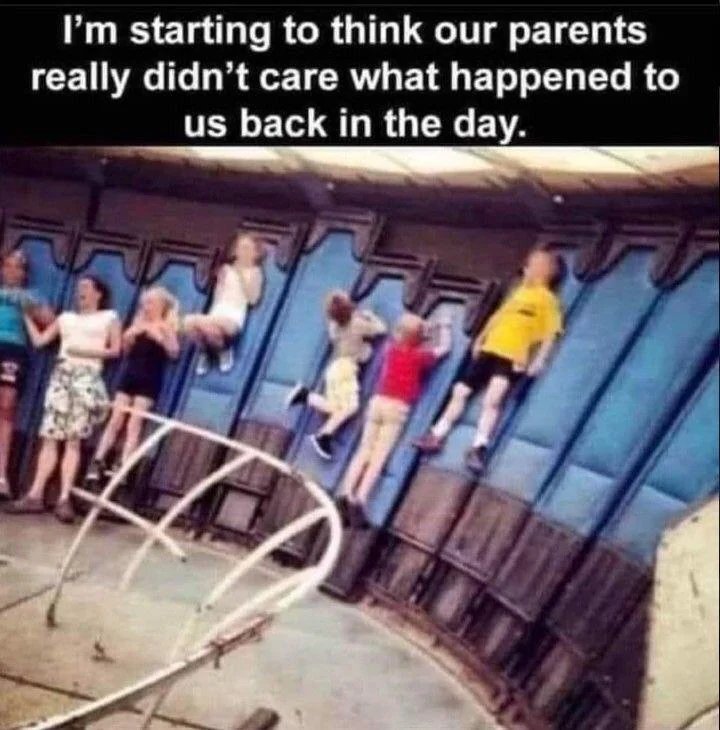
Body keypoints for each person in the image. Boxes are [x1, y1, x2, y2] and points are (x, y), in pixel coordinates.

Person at [414, 248, 564, 474]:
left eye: (534, 265)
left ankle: (479, 446)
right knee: (460, 391)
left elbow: (551, 332)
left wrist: (539, 360)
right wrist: (481, 338)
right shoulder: (519, 292)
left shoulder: (547, 300)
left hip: (512, 355)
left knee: (493, 399)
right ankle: (437, 433)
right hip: (490, 349)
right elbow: (498, 317)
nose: (527, 269)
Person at [4, 276, 121, 523]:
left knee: (73, 440)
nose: (81, 292)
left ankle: (64, 498)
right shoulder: (66, 318)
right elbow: (40, 341)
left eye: (87, 288)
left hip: (86, 377)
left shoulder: (109, 317)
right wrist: (26, 314)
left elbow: (115, 350)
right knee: (49, 436)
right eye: (79, 288)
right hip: (61, 375)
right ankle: (35, 494)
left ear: (99, 294)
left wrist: (85, 352)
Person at [338, 311, 452, 528]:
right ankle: (360, 499)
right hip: (397, 408)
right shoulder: (419, 357)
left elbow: (407, 332)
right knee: (378, 457)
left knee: (363, 450)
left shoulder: (391, 349)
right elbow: (444, 349)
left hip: (377, 402)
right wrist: (443, 327)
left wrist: (420, 329)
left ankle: (345, 493)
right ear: (420, 338)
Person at [85, 286, 181, 485]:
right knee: (115, 419)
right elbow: (126, 351)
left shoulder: (166, 326)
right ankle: (98, 460)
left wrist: (159, 338)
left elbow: (174, 352)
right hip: (130, 375)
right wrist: (130, 337)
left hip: (149, 377)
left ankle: (123, 464)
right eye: (145, 303)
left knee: (134, 423)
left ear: (162, 306)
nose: (147, 307)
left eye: (151, 303)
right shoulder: (138, 323)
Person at [285, 289, 387, 460]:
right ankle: (324, 434)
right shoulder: (357, 323)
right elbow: (381, 330)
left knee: (336, 407)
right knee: (350, 408)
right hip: (347, 369)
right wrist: (370, 316)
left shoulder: (334, 326)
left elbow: (337, 339)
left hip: (335, 368)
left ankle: (306, 397)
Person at [0, 251, 54, 500]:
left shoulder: (31, 296)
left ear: (25, 273)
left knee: (6, 407)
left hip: (13, 350)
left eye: (18, 267)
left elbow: (51, 322)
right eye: (8, 266)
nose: (12, 271)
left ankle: (1, 477)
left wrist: (25, 304)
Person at [184, 232, 265, 375]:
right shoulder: (226, 270)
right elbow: (218, 298)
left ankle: (222, 350)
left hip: (233, 316)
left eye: (247, 248)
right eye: (240, 248)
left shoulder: (255, 272)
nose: (242, 252)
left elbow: (253, 299)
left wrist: (240, 273)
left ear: (255, 253)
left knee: (198, 322)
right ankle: (208, 350)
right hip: (217, 313)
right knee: (188, 323)